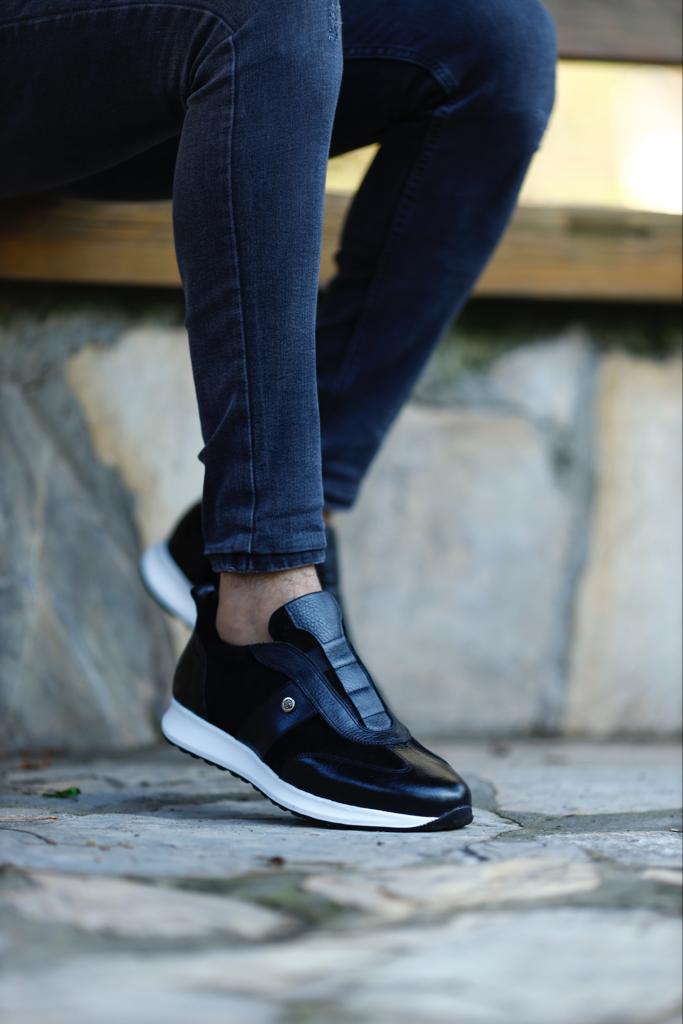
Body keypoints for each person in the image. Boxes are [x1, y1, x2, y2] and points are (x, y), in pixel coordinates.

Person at [1, 0, 557, 830]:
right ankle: (260, 607)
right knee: (264, 9)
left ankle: (254, 525)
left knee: (498, 44)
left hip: (126, 63)